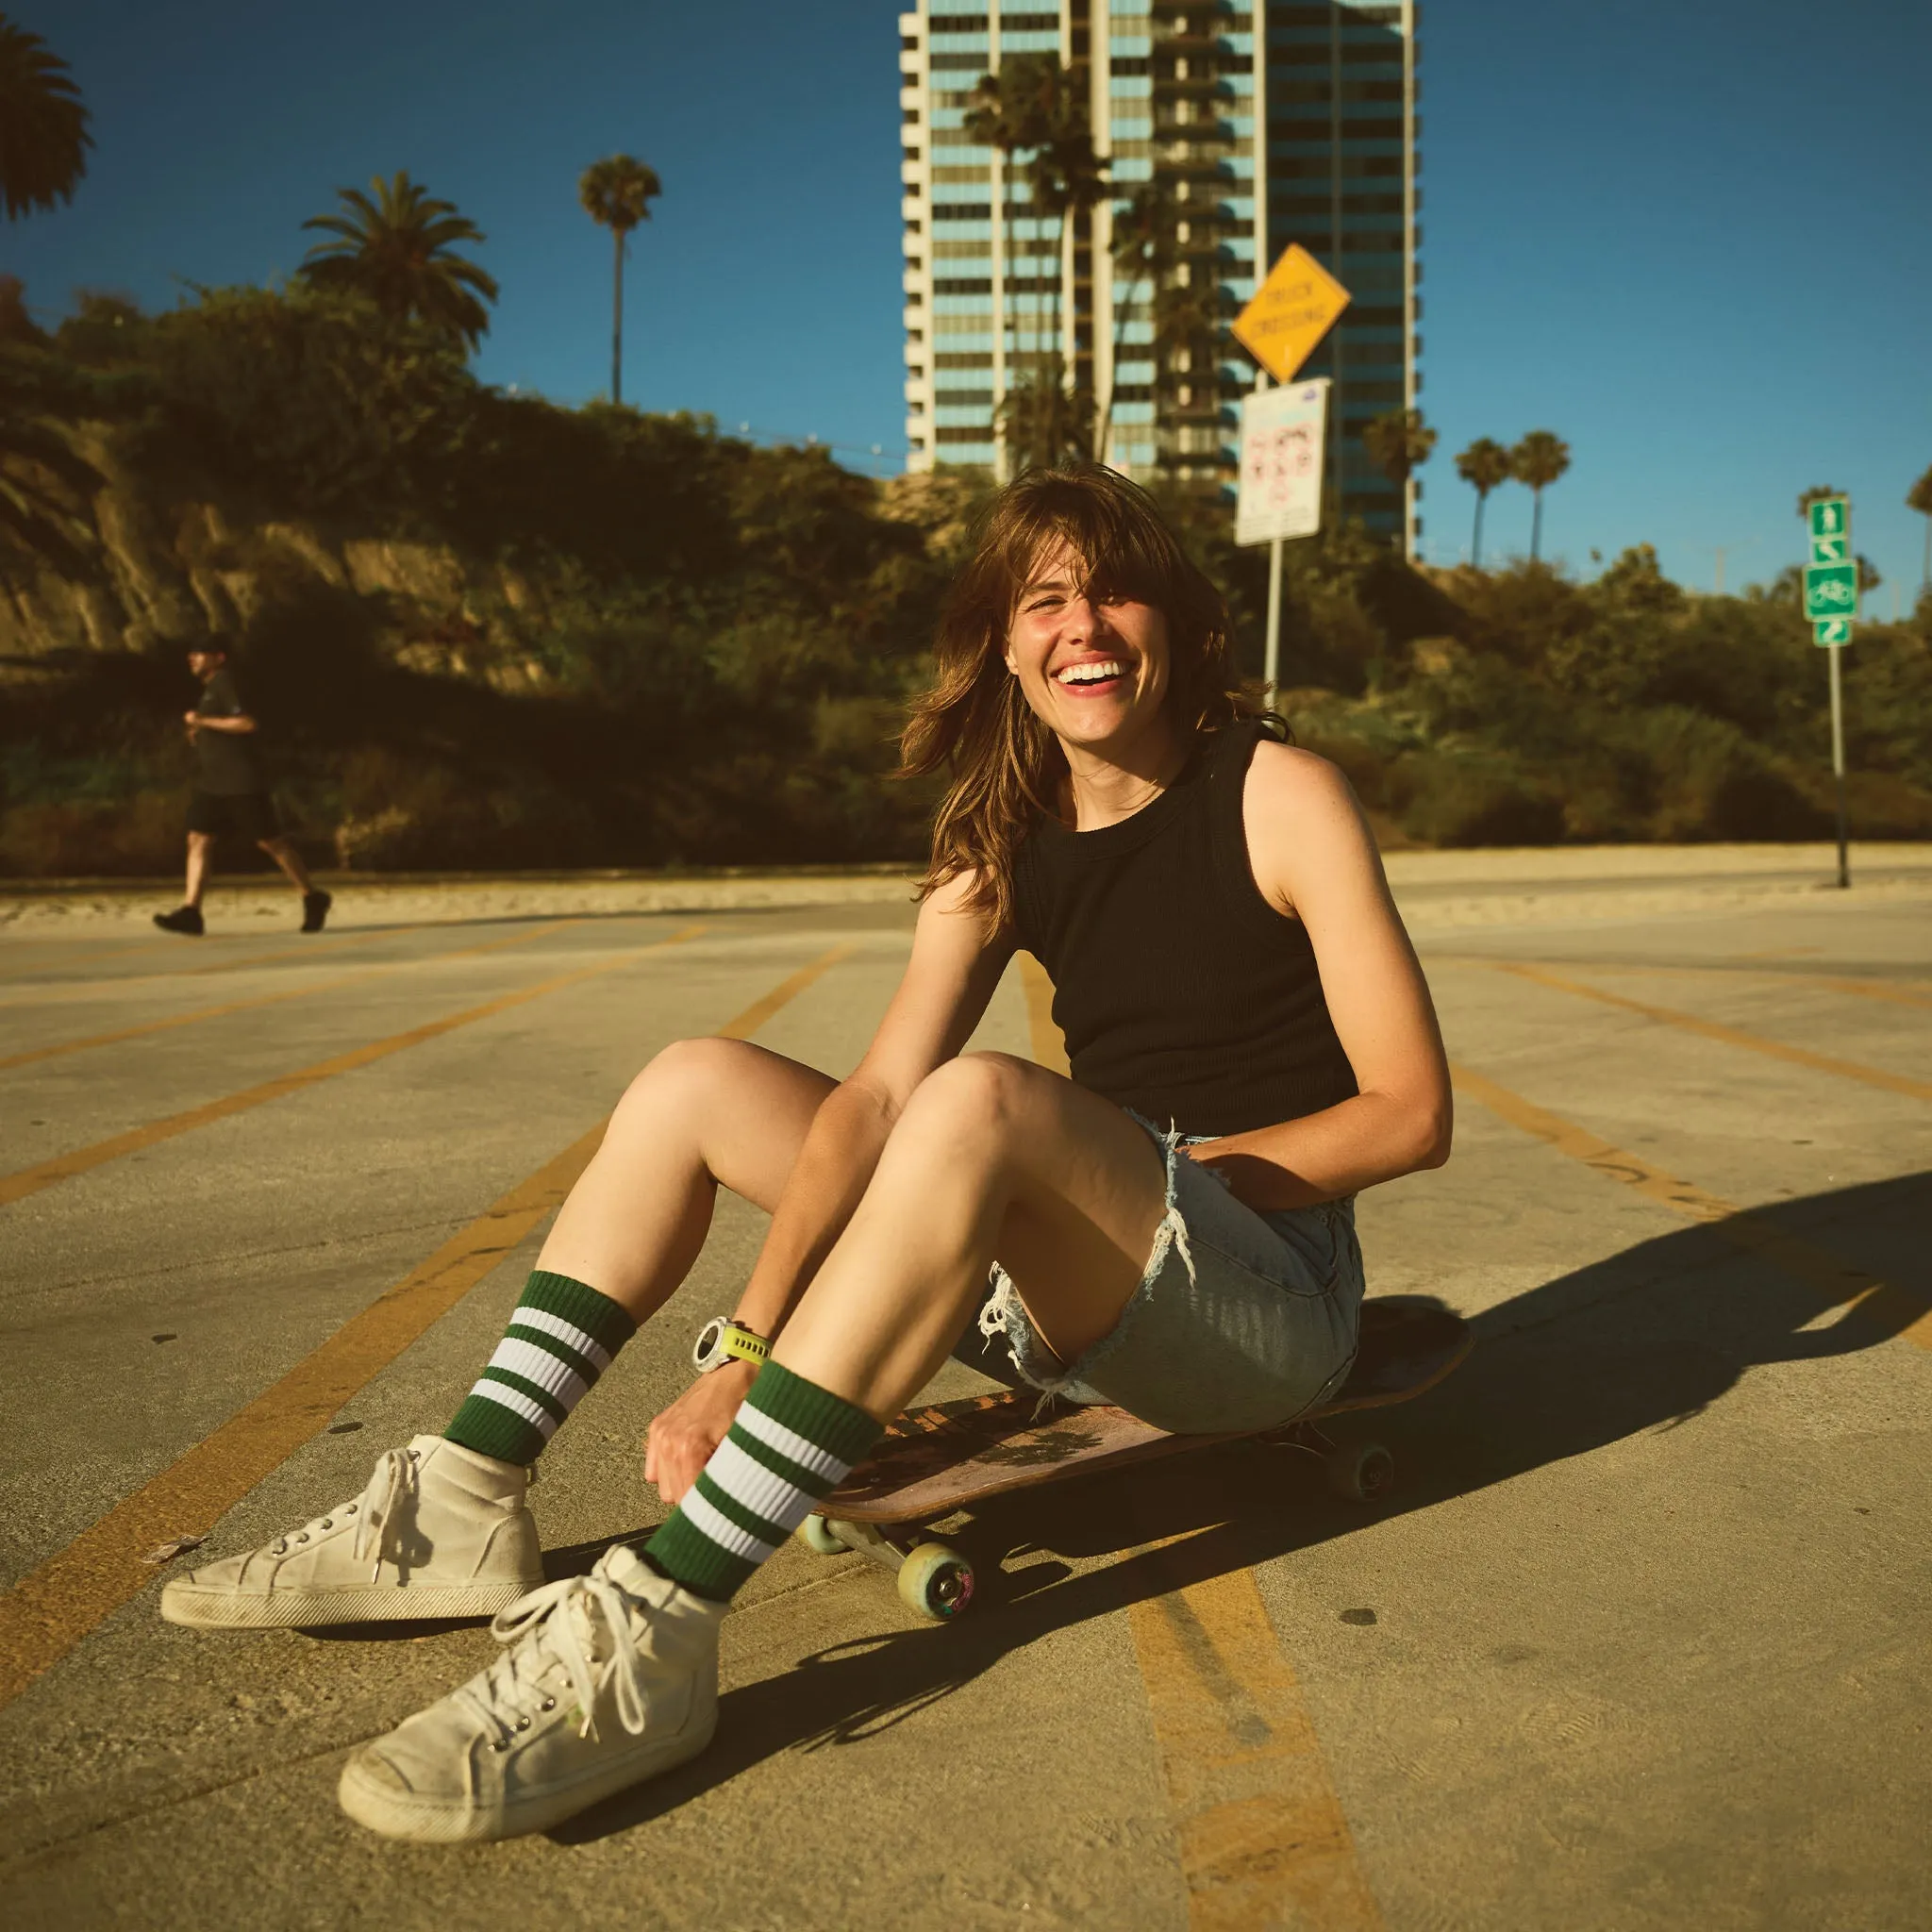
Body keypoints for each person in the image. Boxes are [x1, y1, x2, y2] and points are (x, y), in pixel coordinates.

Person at [159, 467, 1452, 1843]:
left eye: (1117, 589)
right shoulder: (1000, 834)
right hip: (1066, 1292)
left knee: (983, 1105)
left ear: (1183, 621)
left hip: (1268, 1305)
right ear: (1006, 645)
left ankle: (662, 1623)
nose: (1086, 626)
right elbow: (875, 1096)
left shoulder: (1280, 795)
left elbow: (1407, 1113)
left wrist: (1151, 1183)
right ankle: (463, 1501)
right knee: (694, 1081)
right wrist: (748, 1345)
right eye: (1048, 598)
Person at [153, 645, 330, 936]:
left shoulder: (226, 682)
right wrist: (201, 734)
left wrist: (201, 721)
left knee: (271, 842)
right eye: (191, 654)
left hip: (241, 781)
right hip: (213, 783)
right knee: (197, 839)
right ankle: (191, 911)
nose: (191, 658)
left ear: (219, 657)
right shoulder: (211, 689)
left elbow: (246, 723)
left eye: (200, 653)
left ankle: (312, 897)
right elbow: (225, 728)